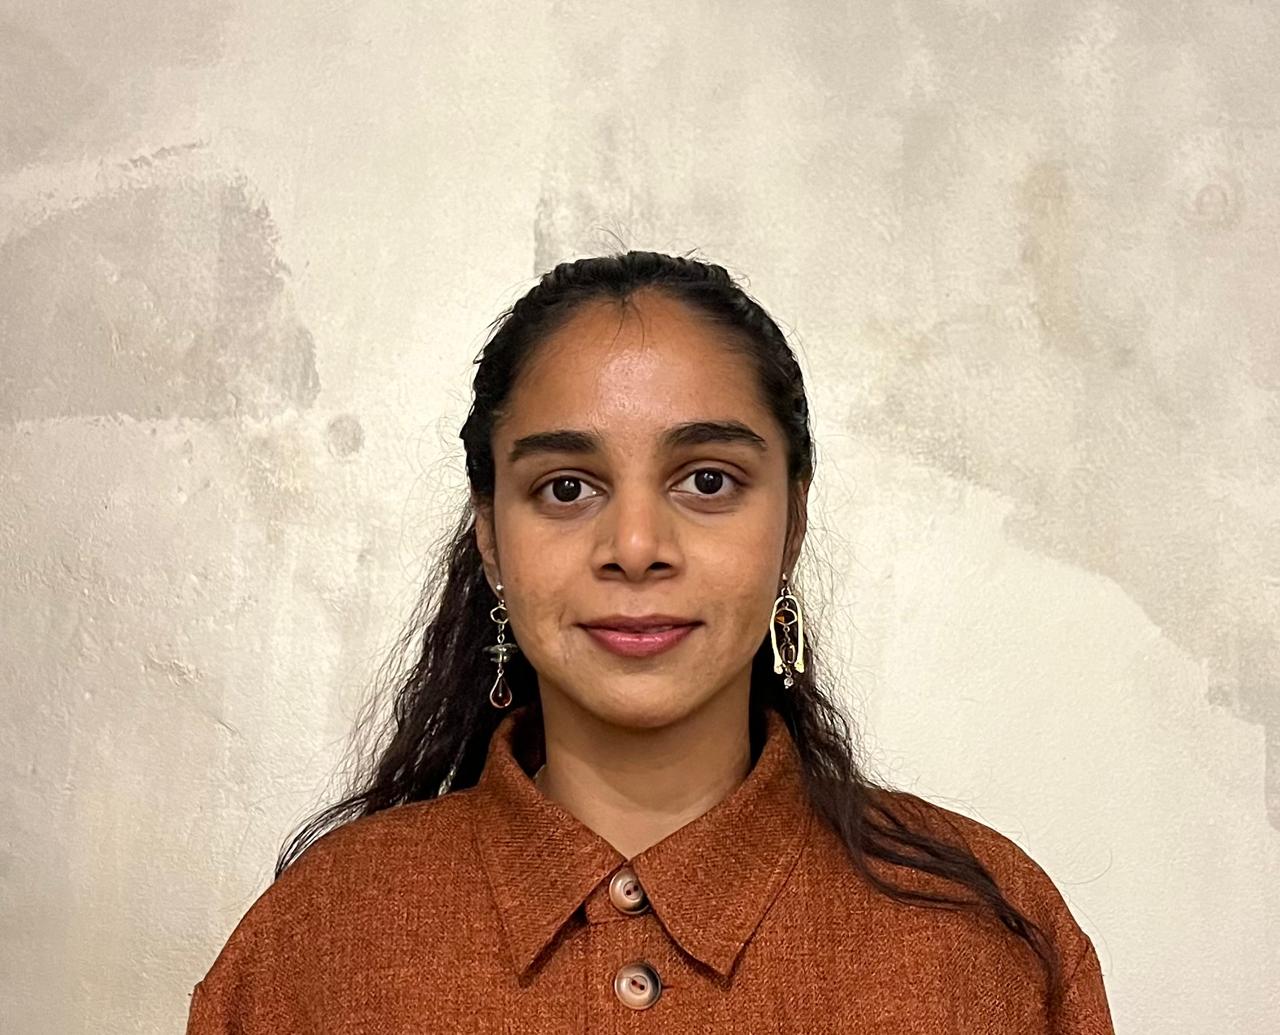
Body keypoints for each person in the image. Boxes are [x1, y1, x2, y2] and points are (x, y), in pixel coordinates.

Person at [186, 251, 1115, 1032]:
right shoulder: (315, 944)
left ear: (793, 523)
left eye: (707, 480)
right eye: (566, 487)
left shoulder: (984, 938)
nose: (635, 547)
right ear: (491, 537)